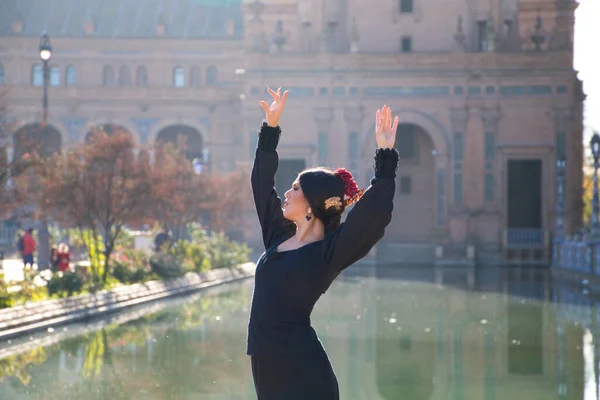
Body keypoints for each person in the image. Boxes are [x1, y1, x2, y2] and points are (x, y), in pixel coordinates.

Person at [247, 87, 399, 399]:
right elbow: (261, 185)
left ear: (313, 203)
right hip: (266, 365)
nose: (286, 194)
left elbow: (370, 218)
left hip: (303, 372)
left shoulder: (325, 254)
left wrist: (385, 156)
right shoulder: (279, 235)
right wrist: (271, 127)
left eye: (295, 188)